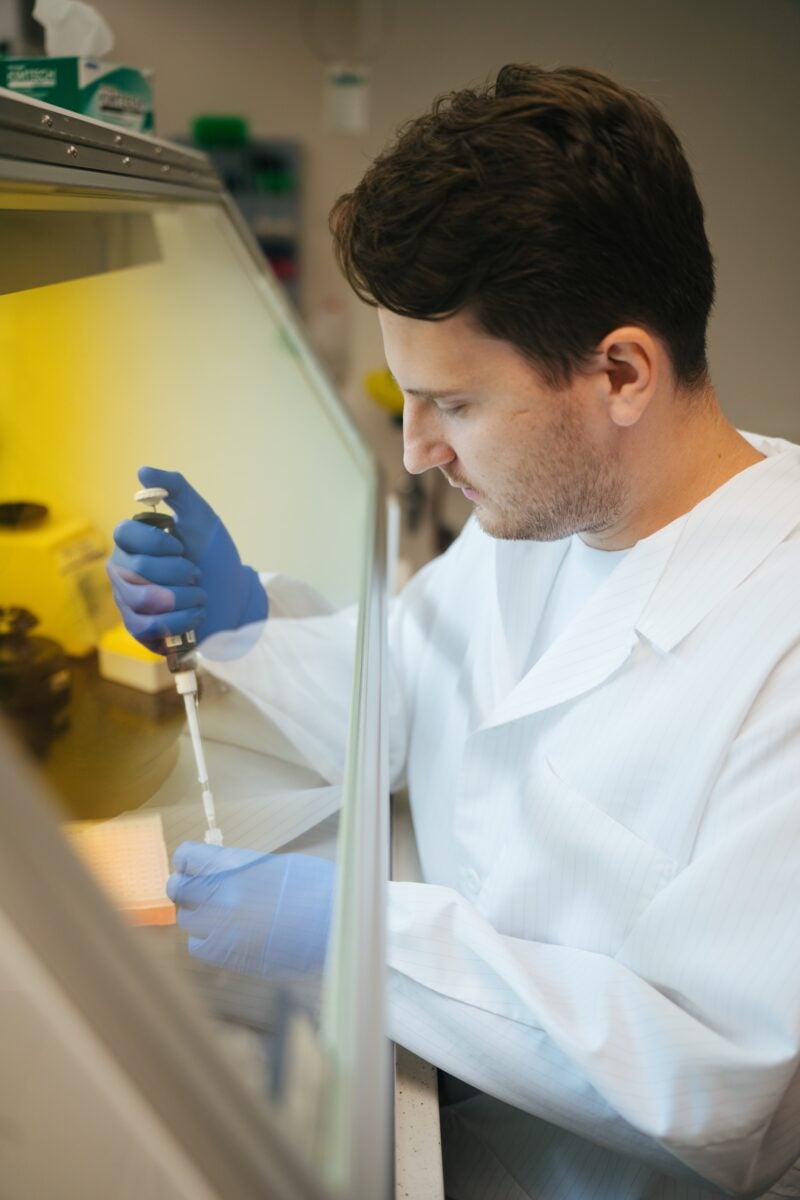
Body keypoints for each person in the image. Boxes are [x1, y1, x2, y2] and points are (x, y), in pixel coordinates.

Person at [108, 65, 800, 1199]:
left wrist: (359, 934)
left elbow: (717, 1089)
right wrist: (242, 627)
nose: (415, 449)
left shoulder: (774, 642)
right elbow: (407, 697)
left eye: (456, 405)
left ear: (619, 372)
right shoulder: (546, 519)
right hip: (450, 1125)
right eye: (409, 399)